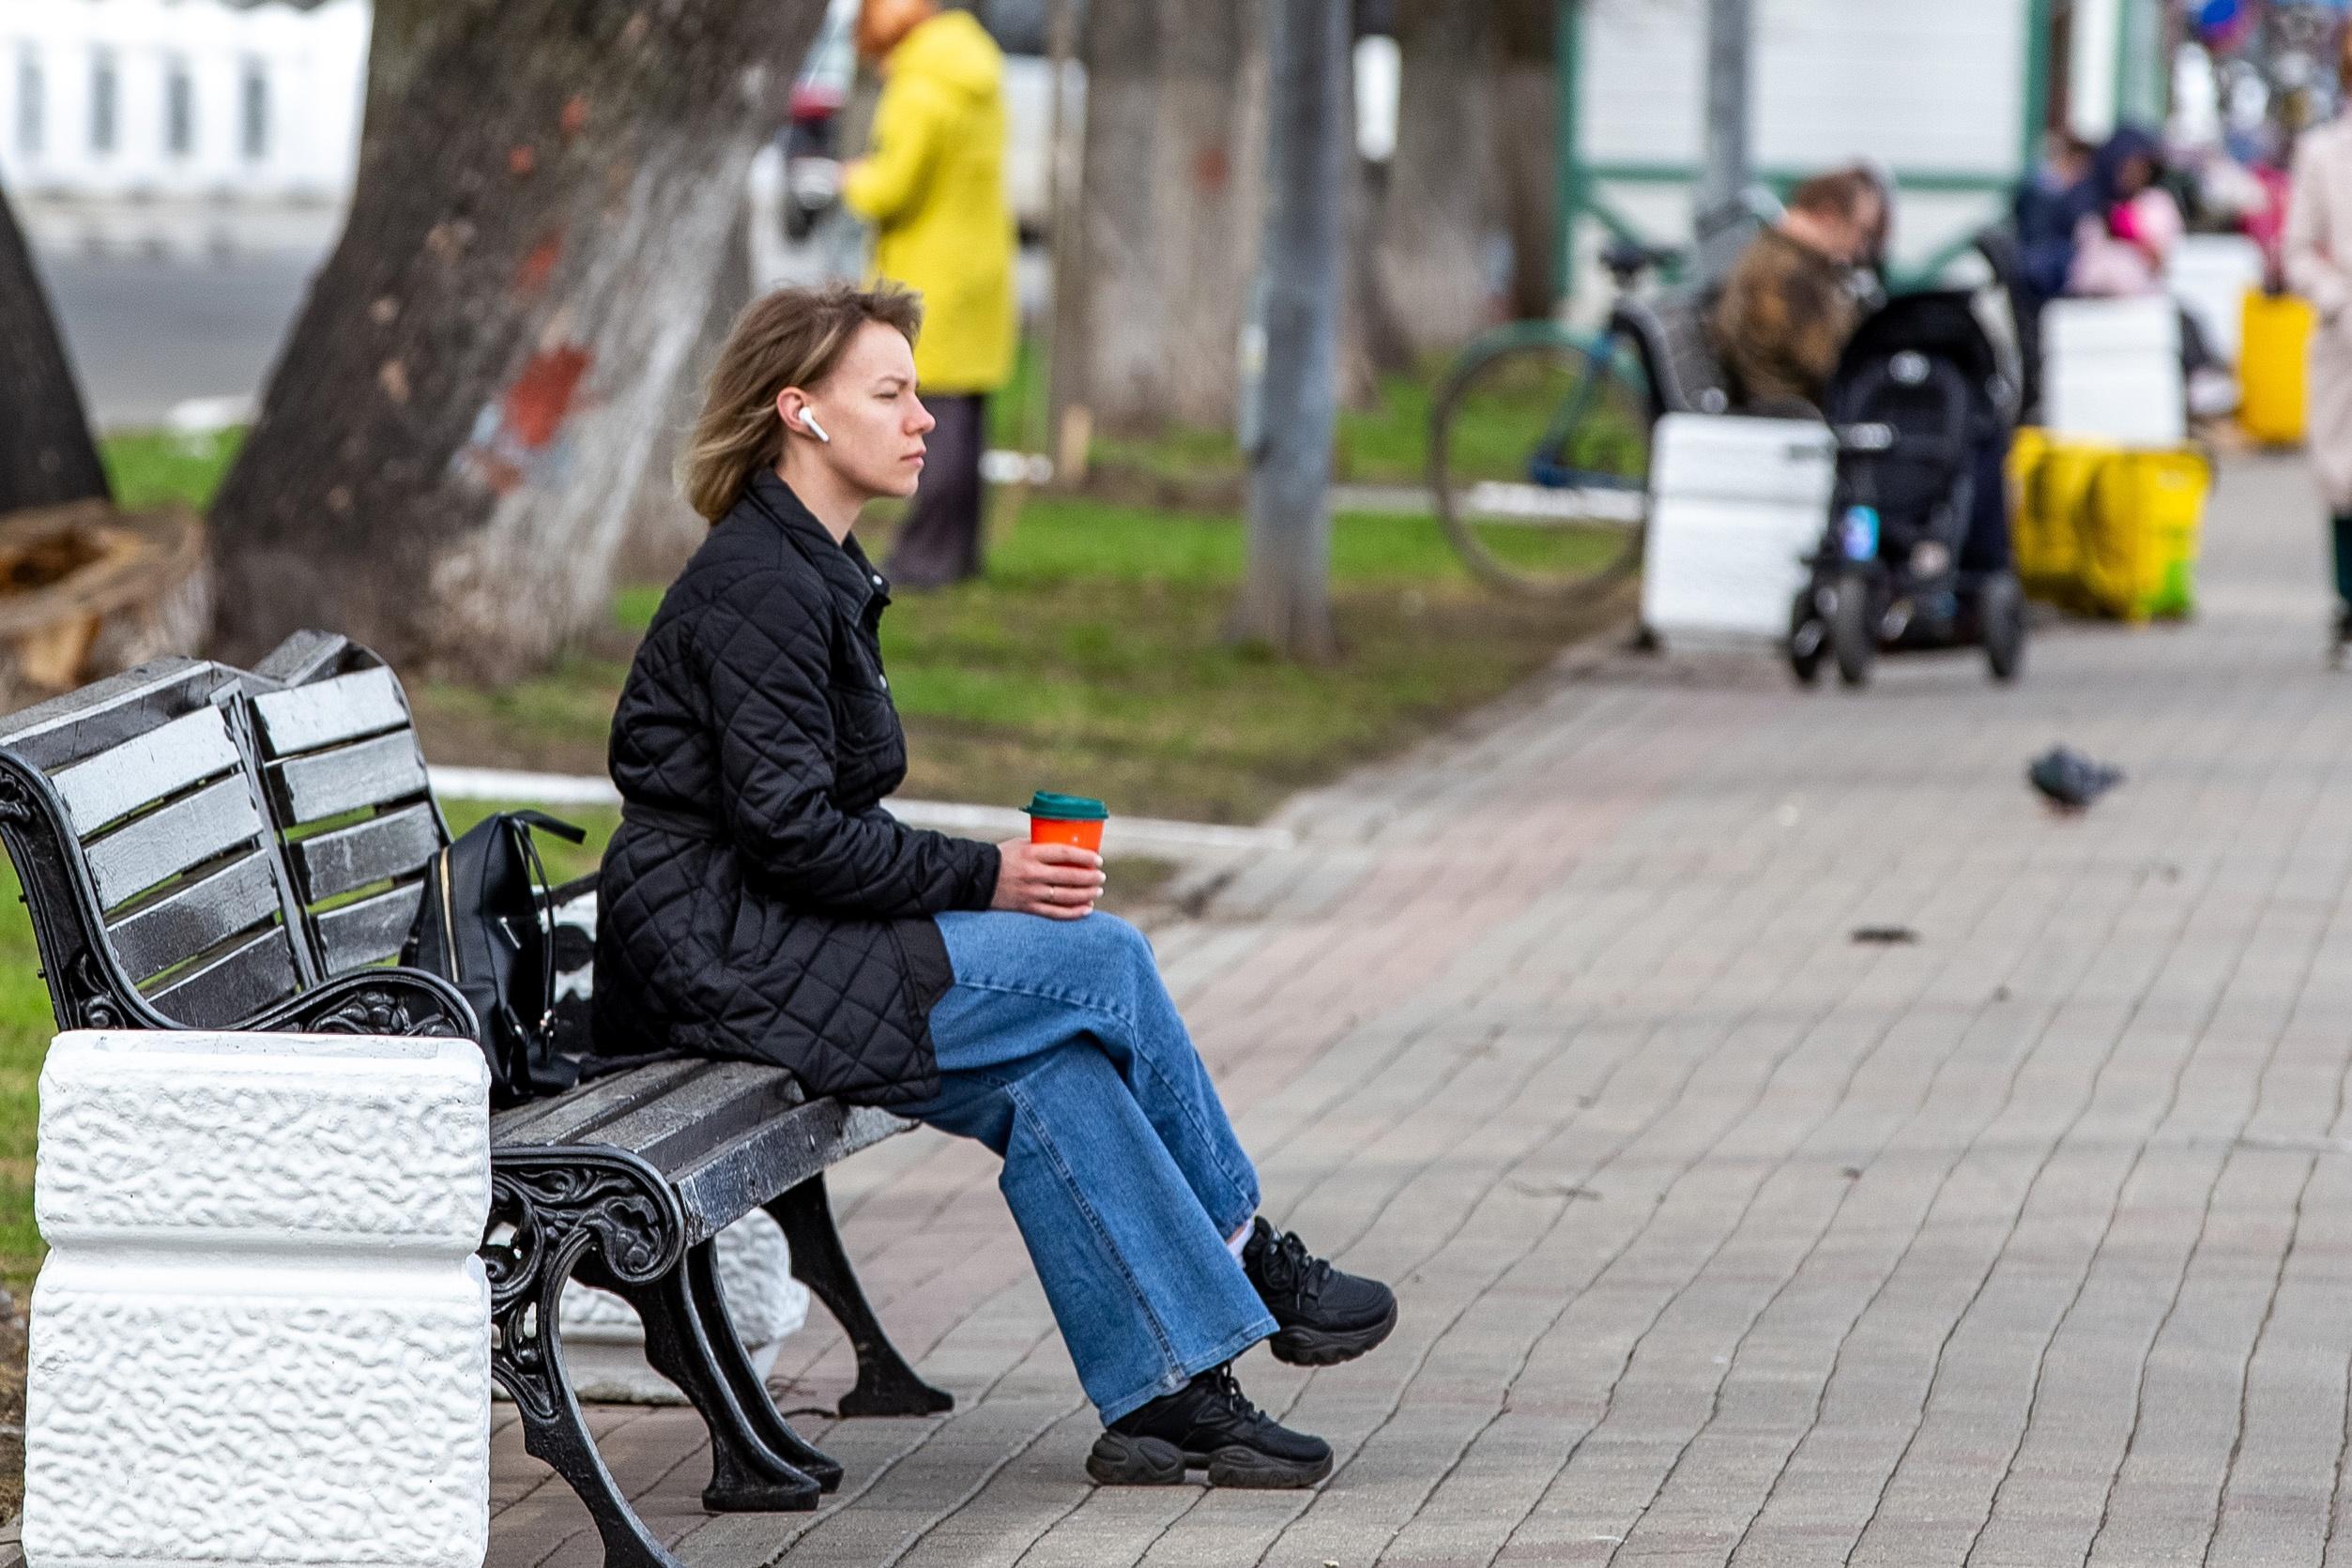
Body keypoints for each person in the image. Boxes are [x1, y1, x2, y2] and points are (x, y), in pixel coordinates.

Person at [594, 282, 1397, 1489]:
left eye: (918, 391)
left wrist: (974, 881)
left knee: (1056, 1071)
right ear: (798, 412)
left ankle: (1165, 1398)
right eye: (892, 392)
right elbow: (792, 834)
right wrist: (989, 876)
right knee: (1104, 961)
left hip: (762, 930)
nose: (924, 416)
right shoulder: (761, 583)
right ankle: (1249, 1259)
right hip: (727, 951)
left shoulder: (808, 563)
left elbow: (803, 820)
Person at [841, 0, 1016, 588]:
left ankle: (924, 559)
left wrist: (850, 179)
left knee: (930, 422)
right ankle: (960, 552)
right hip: (981, 267)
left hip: (931, 272)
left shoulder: (921, 86)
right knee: (964, 424)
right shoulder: (975, 70)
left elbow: (893, 187)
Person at [1711, 166, 1886, 414]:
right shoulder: (1788, 274)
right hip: (1791, 413)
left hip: (1793, 407)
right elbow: (1824, 363)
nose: (1862, 251)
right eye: (1863, 233)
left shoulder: (1786, 260)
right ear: (1828, 215)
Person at [2284, 27, 2352, 659]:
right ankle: (2347, 599)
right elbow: (2297, 249)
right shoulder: (2322, 153)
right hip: (2344, 329)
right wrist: (2332, 296)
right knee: (2341, 473)